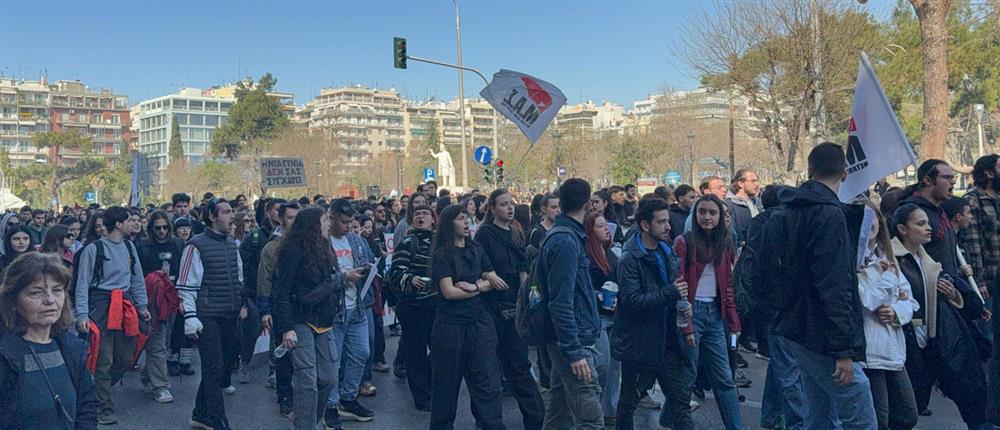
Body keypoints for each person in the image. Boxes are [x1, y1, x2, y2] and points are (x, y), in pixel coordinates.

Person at [773, 142, 876, 429]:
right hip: (821, 332)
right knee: (858, 407)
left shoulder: (789, 210)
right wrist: (843, 349)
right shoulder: (829, 214)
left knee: (819, 411)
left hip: (795, 324)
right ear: (844, 173)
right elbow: (834, 285)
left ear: (810, 169)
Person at [892, 204, 989, 429]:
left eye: (928, 223)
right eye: (920, 223)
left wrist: (954, 294)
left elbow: (968, 301)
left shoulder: (930, 262)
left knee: (969, 394)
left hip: (935, 340)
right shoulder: (893, 260)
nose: (928, 228)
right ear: (902, 229)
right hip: (908, 344)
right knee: (906, 410)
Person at [611, 196, 692, 430]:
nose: (668, 227)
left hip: (667, 342)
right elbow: (632, 300)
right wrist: (670, 293)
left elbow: (676, 293)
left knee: (680, 402)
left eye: (667, 221)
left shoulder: (666, 252)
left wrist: (684, 317)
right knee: (628, 403)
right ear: (645, 225)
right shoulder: (630, 258)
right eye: (661, 222)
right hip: (639, 344)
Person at [272, 207, 355, 430]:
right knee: (307, 380)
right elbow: (281, 292)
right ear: (312, 225)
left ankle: (310, 420)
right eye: (324, 220)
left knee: (327, 378)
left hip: (323, 320)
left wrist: (343, 279)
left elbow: (330, 280)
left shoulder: (325, 247)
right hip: (299, 319)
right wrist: (286, 328)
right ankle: (305, 426)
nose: (328, 223)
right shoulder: (291, 250)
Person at [0, 253, 99, 430]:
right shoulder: (5, 354)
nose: (50, 300)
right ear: (13, 301)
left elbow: (87, 408)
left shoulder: (72, 348)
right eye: (36, 292)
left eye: (57, 290)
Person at [428, 204, 505, 430]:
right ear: (449, 223)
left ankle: (490, 425)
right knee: (446, 385)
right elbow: (449, 292)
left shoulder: (477, 248)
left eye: (467, 219)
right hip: (450, 327)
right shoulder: (443, 254)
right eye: (461, 219)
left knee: (487, 382)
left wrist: (475, 287)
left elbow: (492, 279)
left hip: (479, 324)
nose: (466, 223)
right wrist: (480, 285)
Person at [674, 194, 745, 430]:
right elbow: (679, 286)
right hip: (692, 314)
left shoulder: (724, 244)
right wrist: (687, 325)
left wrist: (734, 322)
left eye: (712, 213)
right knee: (687, 375)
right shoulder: (683, 242)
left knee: (725, 378)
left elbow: (726, 287)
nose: (707, 217)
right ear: (695, 216)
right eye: (702, 212)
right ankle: (673, 420)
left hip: (716, 315)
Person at [73, 207, 150, 426]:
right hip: (101, 305)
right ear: (118, 224)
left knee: (126, 356)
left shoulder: (129, 247)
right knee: (103, 359)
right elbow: (82, 284)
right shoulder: (93, 249)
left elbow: (136, 279)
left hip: (125, 305)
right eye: (129, 220)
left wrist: (142, 305)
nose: (133, 223)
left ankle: (97, 390)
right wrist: (82, 315)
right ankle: (102, 405)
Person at [475, 189, 545, 429]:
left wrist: (525, 296)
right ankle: (490, 423)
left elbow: (523, 266)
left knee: (520, 367)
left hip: (514, 305)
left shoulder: (516, 231)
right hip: (492, 306)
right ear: (492, 209)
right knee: (488, 370)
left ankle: (536, 420)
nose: (509, 208)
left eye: (511, 204)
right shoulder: (484, 233)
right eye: (503, 204)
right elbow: (478, 263)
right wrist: (488, 275)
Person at [539, 178, 604, 429]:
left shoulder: (563, 235)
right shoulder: (566, 240)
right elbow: (561, 302)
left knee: (559, 411)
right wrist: (574, 351)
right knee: (590, 417)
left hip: (567, 338)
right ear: (588, 204)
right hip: (573, 339)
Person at [176, 198, 244, 430]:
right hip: (207, 316)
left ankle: (200, 413)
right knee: (213, 368)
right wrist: (190, 317)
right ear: (212, 217)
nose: (231, 215)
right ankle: (217, 419)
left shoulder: (232, 244)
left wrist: (242, 304)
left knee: (221, 367)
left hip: (230, 314)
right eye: (225, 212)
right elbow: (185, 285)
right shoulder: (195, 245)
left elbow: (238, 279)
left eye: (231, 211)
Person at [857, 202, 919, 430]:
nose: (869, 223)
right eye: (863, 217)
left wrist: (895, 312)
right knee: (878, 419)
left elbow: (909, 301)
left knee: (907, 415)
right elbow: (867, 301)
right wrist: (889, 280)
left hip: (893, 349)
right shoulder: (852, 262)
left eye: (872, 217)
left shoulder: (887, 257)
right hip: (869, 350)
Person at [324, 199, 377, 427]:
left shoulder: (355, 240)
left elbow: (364, 260)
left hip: (356, 306)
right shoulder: (322, 242)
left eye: (350, 222)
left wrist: (366, 270)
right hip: (334, 310)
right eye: (344, 222)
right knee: (332, 361)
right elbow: (319, 278)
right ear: (332, 216)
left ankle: (349, 396)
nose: (347, 226)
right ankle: (330, 405)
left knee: (361, 353)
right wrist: (344, 278)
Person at [387, 204, 436, 410]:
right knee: (415, 354)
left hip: (437, 305)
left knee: (441, 349)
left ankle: (434, 388)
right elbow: (395, 272)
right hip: (414, 307)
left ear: (433, 219)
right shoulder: (408, 242)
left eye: (425, 213)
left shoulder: (441, 242)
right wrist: (411, 278)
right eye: (417, 214)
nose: (421, 217)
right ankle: (423, 398)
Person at [136, 210, 184, 404]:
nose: (162, 231)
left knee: (166, 342)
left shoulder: (178, 244)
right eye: (158, 228)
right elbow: (137, 276)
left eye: (165, 227)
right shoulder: (143, 247)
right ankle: (161, 385)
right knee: (156, 343)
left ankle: (148, 374)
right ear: (151, 229)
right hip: (153, 300)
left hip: (173, 297)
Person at [257, 201, 299, 418]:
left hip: (302, 307)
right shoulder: (272, 248)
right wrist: (264, 310)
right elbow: (264, 281)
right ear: (281, 219)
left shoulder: (305, 243)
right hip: (280, 307)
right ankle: (285, 398)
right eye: (290, 218)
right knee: (284, 355)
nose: (295, 222)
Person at [585, 211, 621, 425]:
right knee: (603, 364)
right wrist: (597, 295)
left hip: (614, 315)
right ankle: (594, 408)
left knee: (615, 365)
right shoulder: (586, 256)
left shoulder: (611, 254)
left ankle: (610, 409)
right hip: (597, 317)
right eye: (599, 226)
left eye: (606, 226)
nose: (605, 229)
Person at [724, 168, 762, 246]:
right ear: (740, 183)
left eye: (757, 181)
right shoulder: (729, 205)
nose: (757, 184)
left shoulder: (757, 203)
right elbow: (731, 234)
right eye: (753, 181)